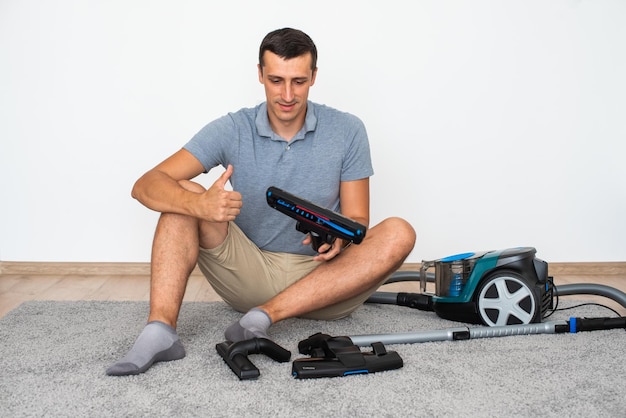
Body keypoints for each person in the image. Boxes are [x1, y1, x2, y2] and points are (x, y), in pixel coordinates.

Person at [106, 28, 416, 376]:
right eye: (276, 80)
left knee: (400, 231)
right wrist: (201, 206)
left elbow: (358, 217)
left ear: (314, 76)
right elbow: (145, 184)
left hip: (325, 280)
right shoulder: (232, 128)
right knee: (183, 197)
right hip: (248, 271)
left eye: (298, 81)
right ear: (260, 75)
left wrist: (340, 232)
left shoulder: (347, 129)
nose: (287, 94)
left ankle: (262, 317)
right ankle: (159, 332)